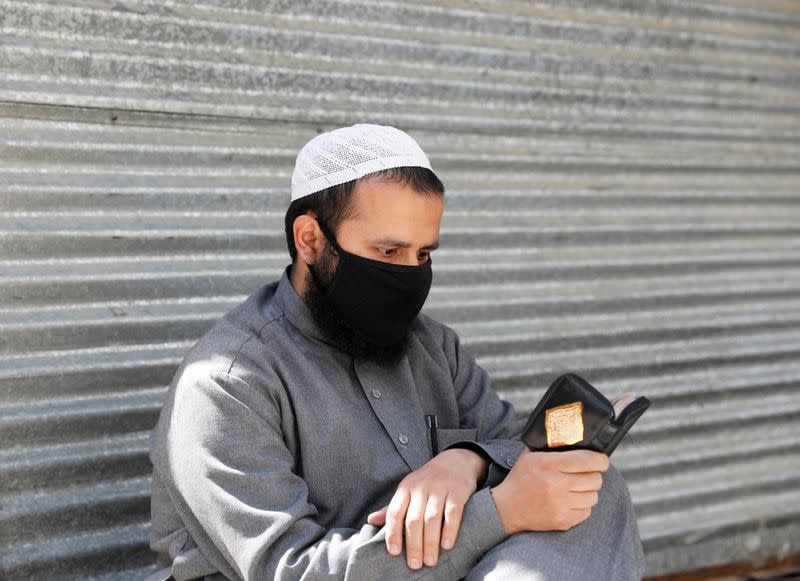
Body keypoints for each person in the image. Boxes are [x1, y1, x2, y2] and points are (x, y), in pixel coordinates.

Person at [147, 123, 646, 580]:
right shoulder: (227, 384)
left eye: (423, 254)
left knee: (591, 491)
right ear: (310, 239)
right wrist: (501, 513)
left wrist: (464, 462)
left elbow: (510, 445)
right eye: (388, 253)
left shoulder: (435, 349)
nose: (410, 274)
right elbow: (293, 570)